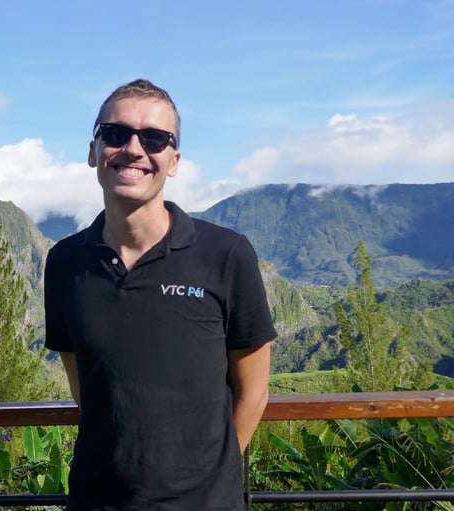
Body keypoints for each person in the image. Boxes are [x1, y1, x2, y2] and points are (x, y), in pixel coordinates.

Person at [43, 79, 277, 510]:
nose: (134, 149)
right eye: (116, 134)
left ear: (173, 161)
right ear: (94, 150)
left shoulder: (225, 255)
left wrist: (211, 480)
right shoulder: (65, 263)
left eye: (153, 139)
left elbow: (253, 392)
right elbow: (88, 386)